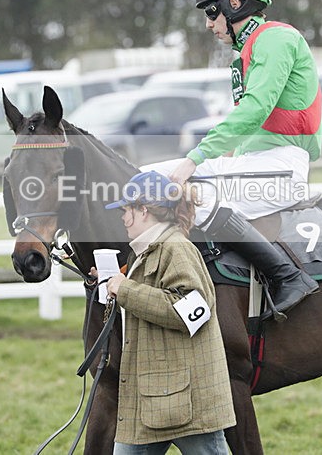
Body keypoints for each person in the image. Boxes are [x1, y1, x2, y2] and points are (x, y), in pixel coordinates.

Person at [142, 0, 320, 318]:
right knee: (146, 179)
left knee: (193, 193)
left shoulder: (276, 39)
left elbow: (255, 109)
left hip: (282, 168)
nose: (208, 24)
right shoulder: (244, 54)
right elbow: (251, 126)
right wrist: (224, 156)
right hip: (257, 163)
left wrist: (196, 158)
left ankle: (287, 277)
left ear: (233, 4)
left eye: (211, 12)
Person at [95, 170, 235, 454]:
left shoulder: (177, 249)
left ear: (143, 210)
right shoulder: (148, 251)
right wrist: (112, 282)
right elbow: (151, 298)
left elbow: (192, 311)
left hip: (186, 401)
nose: (122, 218)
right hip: (151, 397)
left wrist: (126, 290)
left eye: (126, 210)